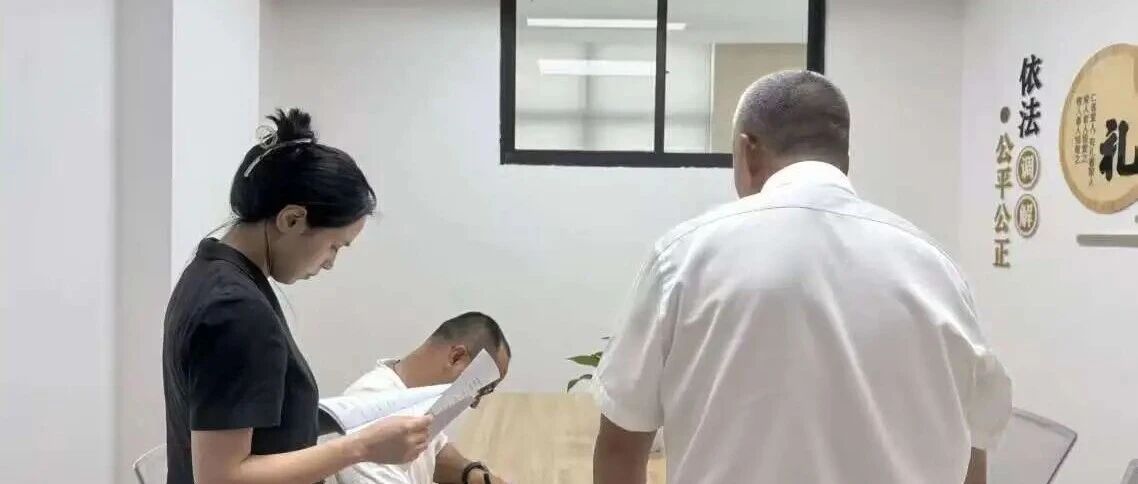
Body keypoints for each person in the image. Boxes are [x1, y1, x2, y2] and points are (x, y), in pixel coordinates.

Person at [592, 71, 1012, 484]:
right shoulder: (938, 271)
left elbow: (620, 449)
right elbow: (972, 459)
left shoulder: (684, 257)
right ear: (843, 158)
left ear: (748, 151)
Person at [162, 108, 432, 484]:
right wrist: (362, 447)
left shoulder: (211, 270)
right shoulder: (236, 310)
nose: (330, 263)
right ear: (291, 219)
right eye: (335, 246)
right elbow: (222, 478)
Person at [334, 312, 512, 484]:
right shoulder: (370, 413)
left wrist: (471, 472)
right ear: (456, 358)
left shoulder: (413, 398)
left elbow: (434, 450)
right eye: (482, 388)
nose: (474, 402)